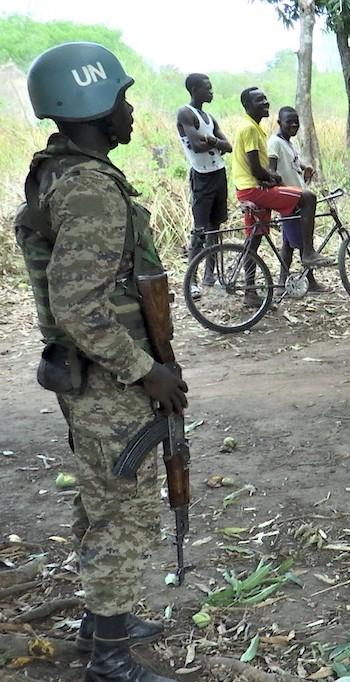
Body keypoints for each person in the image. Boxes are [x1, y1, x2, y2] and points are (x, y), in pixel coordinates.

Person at [18, 42, 189, 682]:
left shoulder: (58, 174)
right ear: (92, 104)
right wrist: (147, 371)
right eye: (123, 98)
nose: (130, 111)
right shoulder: (89, 189)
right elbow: (79, 306)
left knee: (101, 500)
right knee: (123, 512)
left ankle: (101, 623)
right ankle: (110, 660)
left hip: (86, 374)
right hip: (109, 381)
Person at [232, 86, 330, 306]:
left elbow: (258, 168)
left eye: (266, 98)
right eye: (259, 100)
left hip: (247, 187)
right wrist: (273, 178)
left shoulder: (254, 128)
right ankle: (308, 253)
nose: (265, 103)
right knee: (308, 198)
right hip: (253, 189)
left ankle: (250, 292)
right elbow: (256, 168)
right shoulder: (250, 129)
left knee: (254, 239)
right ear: (247, 105)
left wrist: (269, 177)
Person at [177, 73, 231, 296]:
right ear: (194, 90)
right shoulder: (185, 113)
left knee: (214, 228)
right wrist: (215, 143)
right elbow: (197, 146)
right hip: (201, 175)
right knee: (199, 230)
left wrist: (212, 141)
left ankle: (210, 275)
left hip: (218, 174)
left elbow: (228, 146)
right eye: (207, 88)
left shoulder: (209, 118)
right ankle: (191, 280)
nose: (211, 92)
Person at [267, 106, 325, 291]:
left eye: (296, 122)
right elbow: (271, 171)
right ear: (279, 123)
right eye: (289, 122)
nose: (294, 125)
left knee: (289, 243)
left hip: (296, 197)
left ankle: (282, 282)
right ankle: (310, 280)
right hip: (291, 199)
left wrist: (304, 167)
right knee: (302, 241)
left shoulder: (289, 143)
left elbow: (292, 163)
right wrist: (286, 190)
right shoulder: (275, 143)